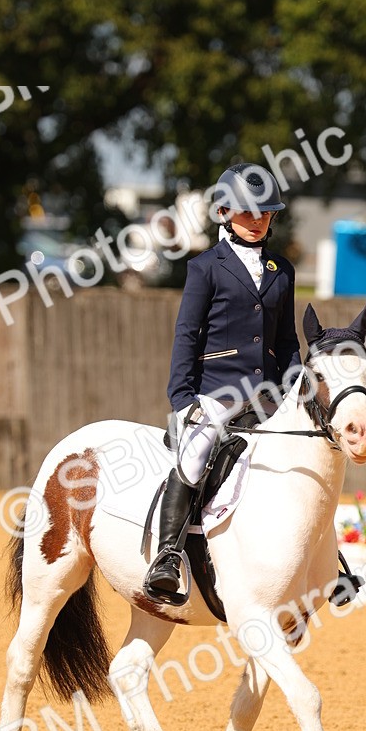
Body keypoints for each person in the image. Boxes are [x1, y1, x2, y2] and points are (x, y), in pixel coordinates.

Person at [143, 162, 301, 603]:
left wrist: (291, 390)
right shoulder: (205, 268)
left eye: (265, 213)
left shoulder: (282, 270)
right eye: (248, 213)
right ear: (225, 213)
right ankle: (169, 556)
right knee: (194, 458)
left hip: (268, 396)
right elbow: (186, 334)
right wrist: (182, 397)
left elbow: (286, 340)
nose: (257, 221)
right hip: (216, 392)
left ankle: (327, 560)